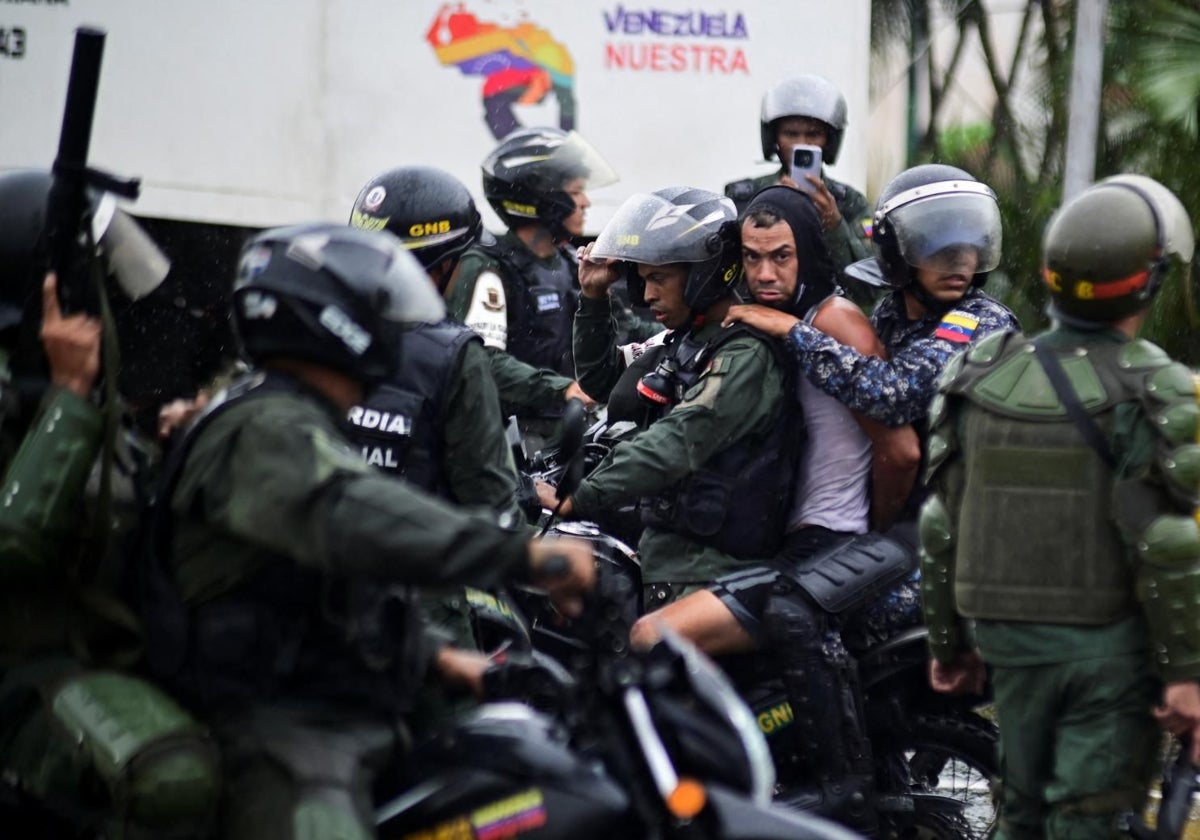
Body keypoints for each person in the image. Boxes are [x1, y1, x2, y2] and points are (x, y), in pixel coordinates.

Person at [144, 222, 595, 839]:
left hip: (330, 700)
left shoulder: (298, 420)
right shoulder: (266, 430)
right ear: (331, 324)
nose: (392, 329)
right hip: (277, 725)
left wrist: (445, 661)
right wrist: (527, 558)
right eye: (374, 312)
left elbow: (324, 595)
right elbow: (360, 518)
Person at [625, 185, 920, 832]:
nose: (764, 273)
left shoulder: (832, 318)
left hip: (830, 544)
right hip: (790, 543)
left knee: (656, 638)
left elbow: (898, 451)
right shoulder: (760, 318)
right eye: (752, 257)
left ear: (806, 253)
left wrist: (870, 536)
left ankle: (839, 796)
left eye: (780, 257)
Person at [921, 174, 1200, 839]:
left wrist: (948, 642)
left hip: (1010, 644)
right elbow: (1168, 546)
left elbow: (939, 524)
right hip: (1108, 654)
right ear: (1148, 280)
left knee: (1020, 809)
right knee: (1087, 817)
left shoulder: (981, 369)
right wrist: (1188, 676)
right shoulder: (1152, 384)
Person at [0, 169, 219, 837]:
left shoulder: (106, 409)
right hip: (30, 675)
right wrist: (68, 396)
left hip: (117, 652)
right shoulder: (35, 404)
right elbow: (11, 545)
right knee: (168, 778)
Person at [540, 186, 797, 609]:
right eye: (642, 280)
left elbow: (676, 441)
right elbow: (603, 381)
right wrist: (593, 297)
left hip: (706, 570)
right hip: (664, 551)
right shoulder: (686, 339)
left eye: (659, 278)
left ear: (705, 273)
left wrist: (580, 495)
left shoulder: (743, 352)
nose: (647, 295)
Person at [724, 73, 872, 275]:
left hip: (825, 305)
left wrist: (834, 224)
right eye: (791, 134)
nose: (802, 143)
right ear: (774, 138)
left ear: (829, 141)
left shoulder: (849, 203)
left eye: (813, 134)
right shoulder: (743, 197)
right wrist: (768, 206)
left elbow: (867, 289)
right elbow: (724, 270)